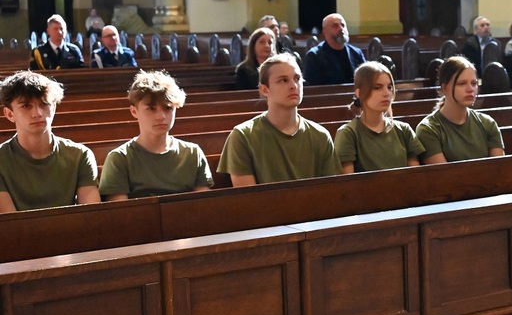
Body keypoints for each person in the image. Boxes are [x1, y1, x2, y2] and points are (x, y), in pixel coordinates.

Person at [218, 53, 340, 186]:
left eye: (297, 78)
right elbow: (248, 196)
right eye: (283, 80)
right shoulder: (243, 136)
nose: (294, 86)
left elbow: (331, 190)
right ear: (264, 89)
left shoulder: (320, 135)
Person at [99, 71, 214, 200]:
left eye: (168, 108)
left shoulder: (192, 153)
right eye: (151, 109)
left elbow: (203, 204)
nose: (161, 117)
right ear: (134, 111)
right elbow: (120, 209)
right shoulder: (120, 158)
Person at [0, 71, 99, 213]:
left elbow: (90, 216)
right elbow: (11, 222)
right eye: (26, 106)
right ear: (10, 114)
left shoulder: (80, 155)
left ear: (54, 107)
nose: (37, 113)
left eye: (44, 104)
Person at [335, 61, 423, 173]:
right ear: (359, 93)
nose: (386, 93)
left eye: (389, 87)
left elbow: (415, 176)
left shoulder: (403, 130)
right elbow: (348, 180)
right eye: (377, 88)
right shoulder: (348, 133)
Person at [416, 56, 505, 164]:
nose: (470, 89)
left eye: (474, 83)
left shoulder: (488, 123)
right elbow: (444, 173)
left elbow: (499, 168)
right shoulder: (428, 129)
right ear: (445, 88)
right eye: (462, 83)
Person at [302, 13, 365, 85]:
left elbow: (367, 81)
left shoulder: (356, 53)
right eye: (335, 26)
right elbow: (312, 88)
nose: (341, 29)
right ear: (325, 31)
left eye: (343, 25)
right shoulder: (314, 56)